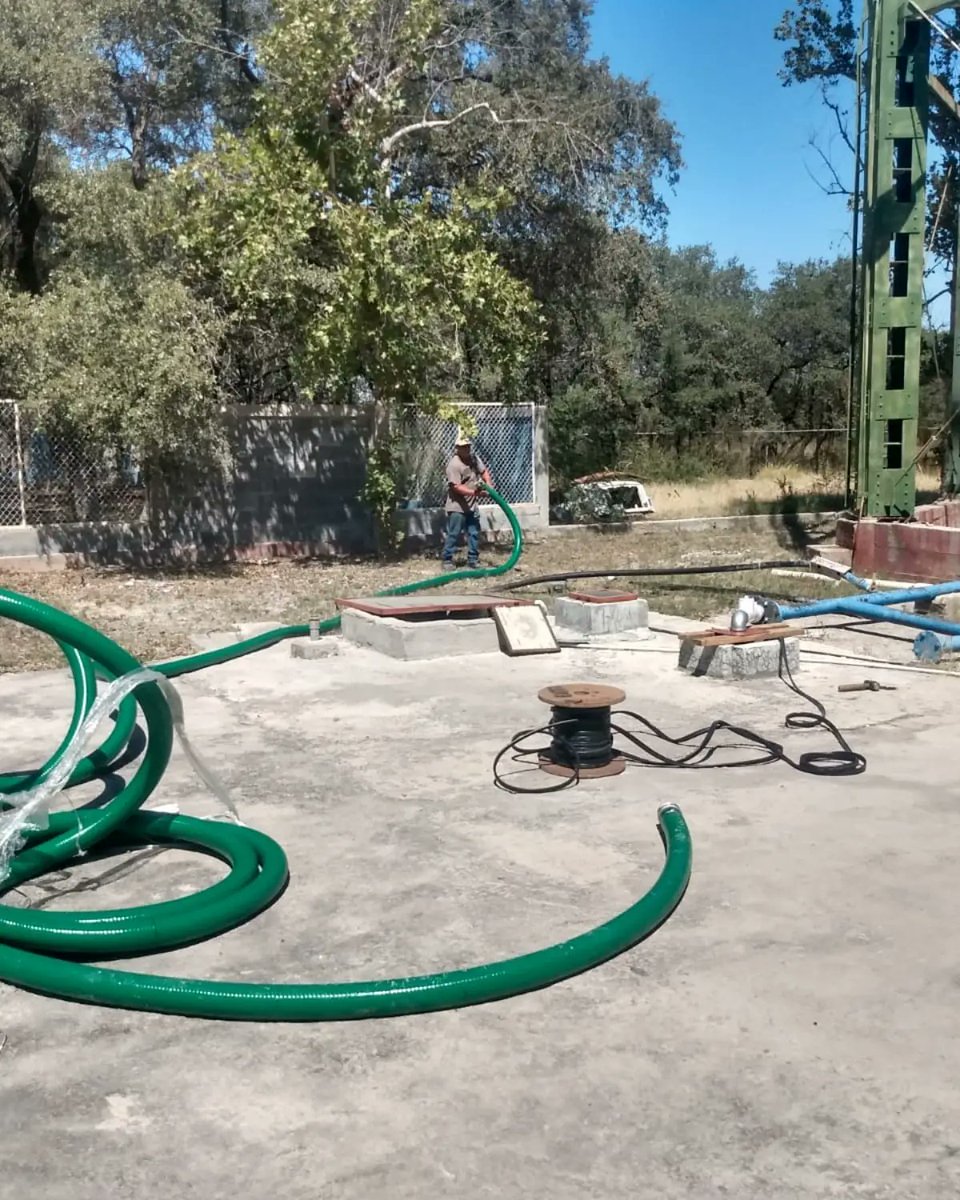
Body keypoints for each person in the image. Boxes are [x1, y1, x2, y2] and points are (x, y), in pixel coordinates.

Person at [442, 435, 492, 568]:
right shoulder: (454, 465)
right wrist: (476, 493)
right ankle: (447, 560)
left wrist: (489, 485)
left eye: (468, 446)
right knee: (454, 533)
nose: (466, 449)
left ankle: (473, 559)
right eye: (463, 447)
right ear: (457, 448)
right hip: (457, 507)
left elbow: (484, 471)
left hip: (471, 505)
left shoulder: (474, 459)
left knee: (474, 532)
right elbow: (456, 487)